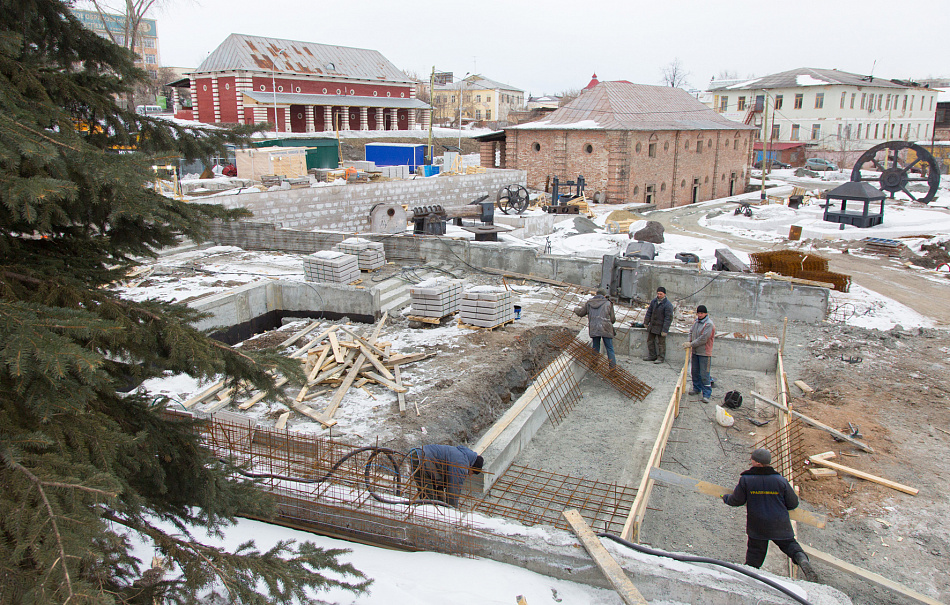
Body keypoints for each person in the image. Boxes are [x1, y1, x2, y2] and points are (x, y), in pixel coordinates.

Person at [723, 448, 818, 582]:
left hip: (758, 526)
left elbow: (736, 501)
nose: (751, 461)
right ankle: (802, 559)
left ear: (757, 463)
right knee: (791, 546)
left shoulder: (747, 479)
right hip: (780, 523)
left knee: (754, 556)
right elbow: (793, 503)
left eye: (752, 459)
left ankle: (747, 581)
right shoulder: (780, 480)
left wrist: (726, 497)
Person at [408, 445, 484, 507]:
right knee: (429, 501)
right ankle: (429, 520)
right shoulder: (461, 464)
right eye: (472, 473)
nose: (470, 475)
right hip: (422, 460)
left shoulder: (463, 455)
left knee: (435, 501)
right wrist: (453, 510)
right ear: (472, 466)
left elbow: (443, 477)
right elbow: (454, 489)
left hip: (421, 455)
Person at [574, 288, 617, 367]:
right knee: (609, 348)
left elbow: (581, 313)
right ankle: (612, 369)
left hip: (594, 328)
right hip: (606, 328)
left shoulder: (589, 303)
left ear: (596, 294)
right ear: (604, 295)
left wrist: (575, 309)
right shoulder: (608, 303)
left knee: (595, 346)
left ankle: (594, 365)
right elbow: (613, 319)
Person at [683, 304, 715, 403]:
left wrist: (691, 344)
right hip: (695, 351)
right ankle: (696, 389)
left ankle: (706, 394)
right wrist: (689, 341)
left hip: (704, 352)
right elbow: (691, 332)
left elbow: (703, 339)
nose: (700, 315)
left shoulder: (709, 324)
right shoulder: (696, 322)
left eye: (702, 313)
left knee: (704, 374)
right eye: (698, 313)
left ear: (706, 313)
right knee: (695, 372)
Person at [642, 286, 674, 364]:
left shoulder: (668, 305)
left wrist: (665, 330)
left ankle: (661, 358)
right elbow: (649, 312)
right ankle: (652, 356)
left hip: (661, 327)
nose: (659, 295)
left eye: (661, 294)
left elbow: (668, 318)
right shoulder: (654, 302)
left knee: (661, 343)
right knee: (650, 341)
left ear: (664, 294)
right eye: (658, 294)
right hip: (653, 325)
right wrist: (646, 322)